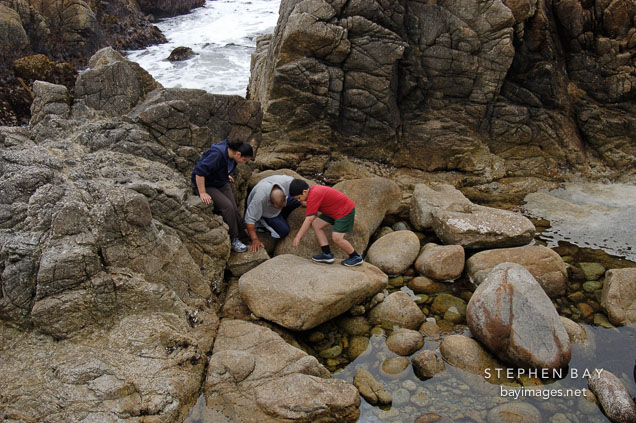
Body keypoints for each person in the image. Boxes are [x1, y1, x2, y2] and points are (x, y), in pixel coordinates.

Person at [191, 138, 253, 252]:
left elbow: (222, 166)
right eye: (244, 160)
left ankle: (243, 237)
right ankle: (234, 239)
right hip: (206, 184)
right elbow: (199, 172)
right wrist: (202, 192)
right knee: (227, 207)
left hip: (220, 181)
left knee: (234, 209)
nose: (244, 162)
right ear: (238, 154)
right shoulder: (217, 154)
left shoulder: (233, 154)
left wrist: (225, 174)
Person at [289, 179, 364, 266]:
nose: (298, 200)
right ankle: (326, 253)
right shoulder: (312, 192)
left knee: (337, 238)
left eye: (299, 198)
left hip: (345, 211)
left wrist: (298, 237)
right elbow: (312, 207)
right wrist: (303, 201)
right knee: (316, 224)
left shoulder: (314, 194)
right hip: (333, 211)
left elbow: (309, 219)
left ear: (304, 192)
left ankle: (355, 256)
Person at [244, 174, 300, 252]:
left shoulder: (285, 182)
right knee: (283, 231)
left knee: (299, 201)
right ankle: (262, 221)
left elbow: (300, 186)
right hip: (266, 213)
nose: (281, 209)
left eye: (282, 206)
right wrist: (255, 239)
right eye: (278, 207)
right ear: (270, 200)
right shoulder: (259, 199)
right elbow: (249, 219)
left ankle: (280, 212)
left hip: (278, 200)